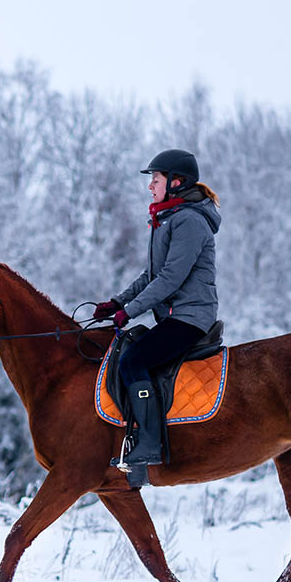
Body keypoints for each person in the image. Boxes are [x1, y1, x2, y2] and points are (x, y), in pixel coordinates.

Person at [93, 148, 221, 468]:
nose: (151, 185)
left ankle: (149, 443)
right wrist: (118, 302)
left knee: (133, 362)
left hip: (190, 317)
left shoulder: (189, 221)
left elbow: (170, 279)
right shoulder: (169, 219)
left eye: (156, 178)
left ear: (176, 182)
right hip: (175, 316)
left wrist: (130, 311)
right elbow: (150, 276)